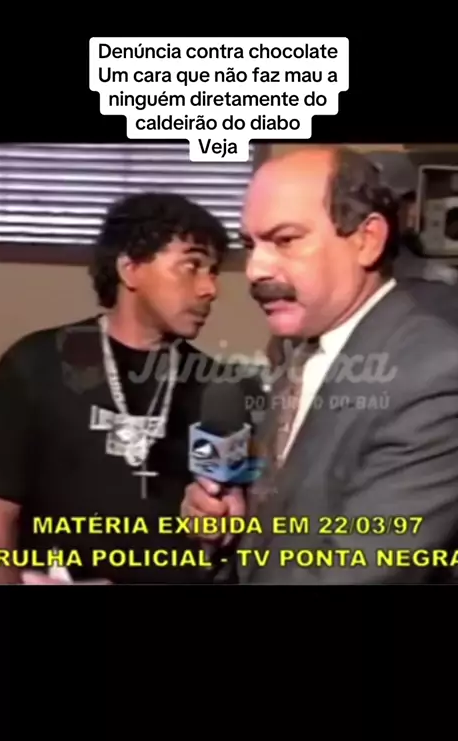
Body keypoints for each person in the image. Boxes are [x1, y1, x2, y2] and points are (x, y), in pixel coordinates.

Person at [182, 146, 458, 584]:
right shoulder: (302, 345)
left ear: (367, 239)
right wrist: (235, 517)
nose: (255, 269)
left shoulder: (436, 371)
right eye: (250, 245)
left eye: (285, 240)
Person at [0, 191, 236, 584]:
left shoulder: (217, 385)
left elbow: (227, 519)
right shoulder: (35, 364)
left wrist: (218, 525)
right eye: (192, 266)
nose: (209, 289)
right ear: (130, 269)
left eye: (213, 271)